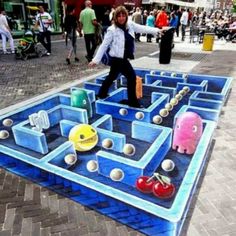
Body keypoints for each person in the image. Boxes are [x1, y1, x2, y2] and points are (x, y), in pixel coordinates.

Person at [89, 6, 163, 108]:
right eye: (119, 16)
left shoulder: (130, 25)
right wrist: (95, 60)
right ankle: (133, 103)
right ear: (115, 17)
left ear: (126, 16)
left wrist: (157, 31)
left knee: (112, 76)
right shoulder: (112, 30)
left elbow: (143, 28)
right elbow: (104, 45)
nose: (121, 18)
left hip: (123, 57)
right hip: (117, 59)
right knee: (131, 77)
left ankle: (101, 94)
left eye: (123, 15)